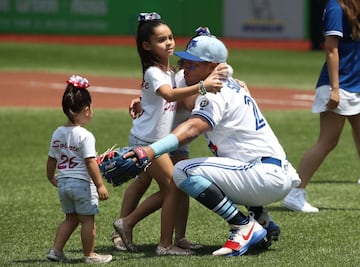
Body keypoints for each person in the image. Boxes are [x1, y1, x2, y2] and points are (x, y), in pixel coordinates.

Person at [123, 35, 301, 257]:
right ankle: (262, 220)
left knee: (183, 171)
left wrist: (151, 150)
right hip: (271, 173)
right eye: (185, 61)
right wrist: (148, 102)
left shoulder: (216, 93)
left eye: (192, 64)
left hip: (263, 175)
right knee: (223, 167)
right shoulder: (227, 84)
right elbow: (187, 101)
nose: (185, 68)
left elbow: (192, 128)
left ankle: (242, 225)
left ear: (213, 67)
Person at [112, 13, 224, 255]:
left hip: (165, 141)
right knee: (170, 186)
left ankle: (176, 238)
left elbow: (160, 96)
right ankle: (136, 229)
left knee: (180, 184)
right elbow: (169, 95)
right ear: (147, 46)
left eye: (171, 38)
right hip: (149, 141)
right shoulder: (160, 72)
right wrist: (204, 86)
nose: (170, 43)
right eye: (163, 39)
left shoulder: (171, 72)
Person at [282, 0, 360, 213]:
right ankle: (294, 193)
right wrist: (335, 89)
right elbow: (331, 49)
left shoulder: (354, 8)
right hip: (339, 85)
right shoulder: (336, 7)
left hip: (355, 85)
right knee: (327, 141)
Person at [46, 75, 112, 264]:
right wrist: (100, 185)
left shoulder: (58, 132)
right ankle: (90, 255)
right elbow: (90, 162)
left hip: (64, 183)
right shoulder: (86, 135)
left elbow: (51, 158)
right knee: (87, 221)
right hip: (82, 184)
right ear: (86, 109)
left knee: (70, 219)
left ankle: (56, 251)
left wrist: (51, 177)